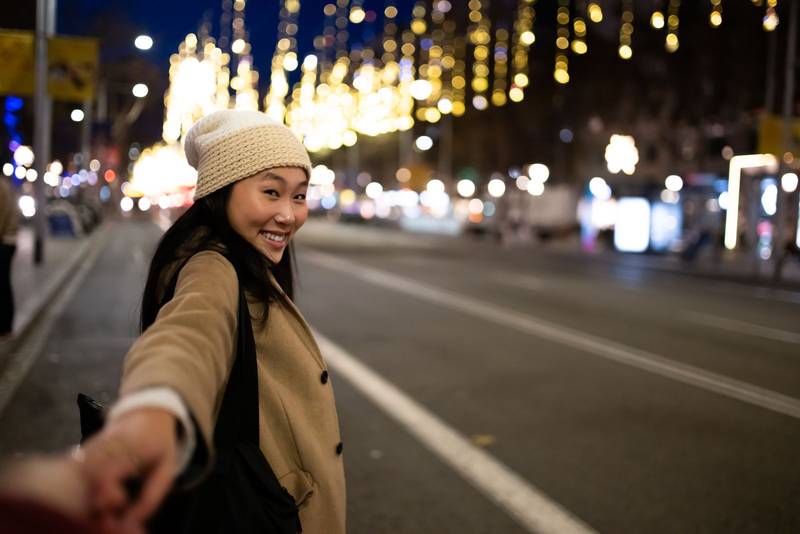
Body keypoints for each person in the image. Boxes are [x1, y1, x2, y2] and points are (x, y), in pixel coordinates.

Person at [86, 110, 346, 533]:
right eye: (271, 192)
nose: (288, 214)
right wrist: (156, 407)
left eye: (299, 196)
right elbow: (188, 335)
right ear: (220, 192)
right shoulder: (211, 266)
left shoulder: (246, 260)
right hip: (264, 512)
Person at [0, 174, 19, 336]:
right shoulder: (5, 185)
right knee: (4, 283)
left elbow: (1, 218)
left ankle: (5, 325)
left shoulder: (1, 187)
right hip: (9, 240)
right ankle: (6, 324)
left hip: (5, 241)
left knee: (3, 284)